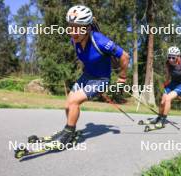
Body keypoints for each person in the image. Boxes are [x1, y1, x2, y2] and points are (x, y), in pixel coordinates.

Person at [46, 5, 129, 146]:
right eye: (71, 27)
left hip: (101, 79)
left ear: (87, 28)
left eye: (78, 28)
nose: (73, 32)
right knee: (68, 104)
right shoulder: (75, 40)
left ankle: (68, 133)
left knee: (74, 101)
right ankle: (70, 131)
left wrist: (122, 78)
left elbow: (125, 56)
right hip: (87, 76)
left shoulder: (100, 40)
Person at [148, 46, 181, 129]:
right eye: (169, 57)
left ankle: (163, 121)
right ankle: (159, 118)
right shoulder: (168, 63)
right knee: (162, 102)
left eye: (173, 57)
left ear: (178, 56)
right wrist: (166, 83)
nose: (171, 59)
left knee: (168, 99)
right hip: (172, 83)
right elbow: (168, 75)